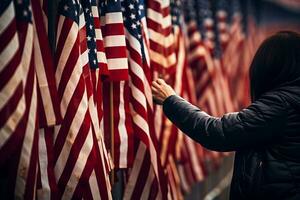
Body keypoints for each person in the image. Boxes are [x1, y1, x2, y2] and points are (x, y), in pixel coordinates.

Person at [152, 31, 300, 200]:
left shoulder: (281, 104)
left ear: (272, 67)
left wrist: (170, 100)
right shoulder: (291, 100)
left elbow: (218, 132)